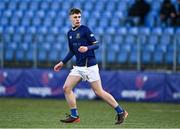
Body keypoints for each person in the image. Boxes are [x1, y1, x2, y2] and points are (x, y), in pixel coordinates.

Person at [54, 8, 128, 125]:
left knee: (99, 92)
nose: (77, 19)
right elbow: (72, 51)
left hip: (90, 66)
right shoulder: (70, 33)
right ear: (70, 18)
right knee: (66, 88)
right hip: (79, 67)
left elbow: (97, 44)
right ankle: (74, 115)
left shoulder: (85, 30)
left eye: (79, 17)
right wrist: (62, 62)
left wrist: (87, 48)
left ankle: (121, 111)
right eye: (75, 17)